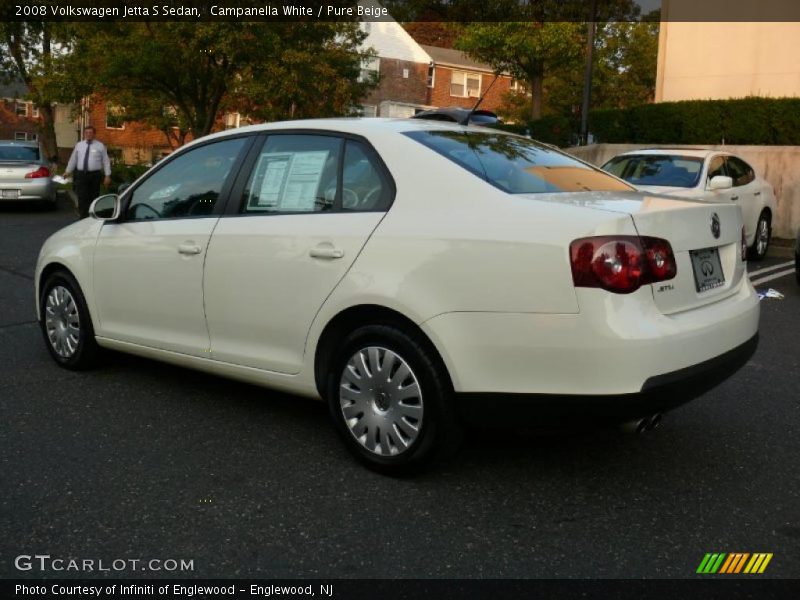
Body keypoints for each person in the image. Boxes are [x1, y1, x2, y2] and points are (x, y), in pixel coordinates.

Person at [65, 125, 112, 218]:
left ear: (94, 134)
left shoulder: (100, 146)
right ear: (84, 134)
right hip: (81, 174)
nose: (88, 134)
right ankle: (82, 216)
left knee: (94, 196)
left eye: (90, 133)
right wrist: (67, 171)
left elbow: (106, 161)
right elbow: (73, 159)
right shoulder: (79, 145)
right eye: (86, 133)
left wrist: (107, 175)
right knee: (82, 196)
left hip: (95, 175)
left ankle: (92, 215)